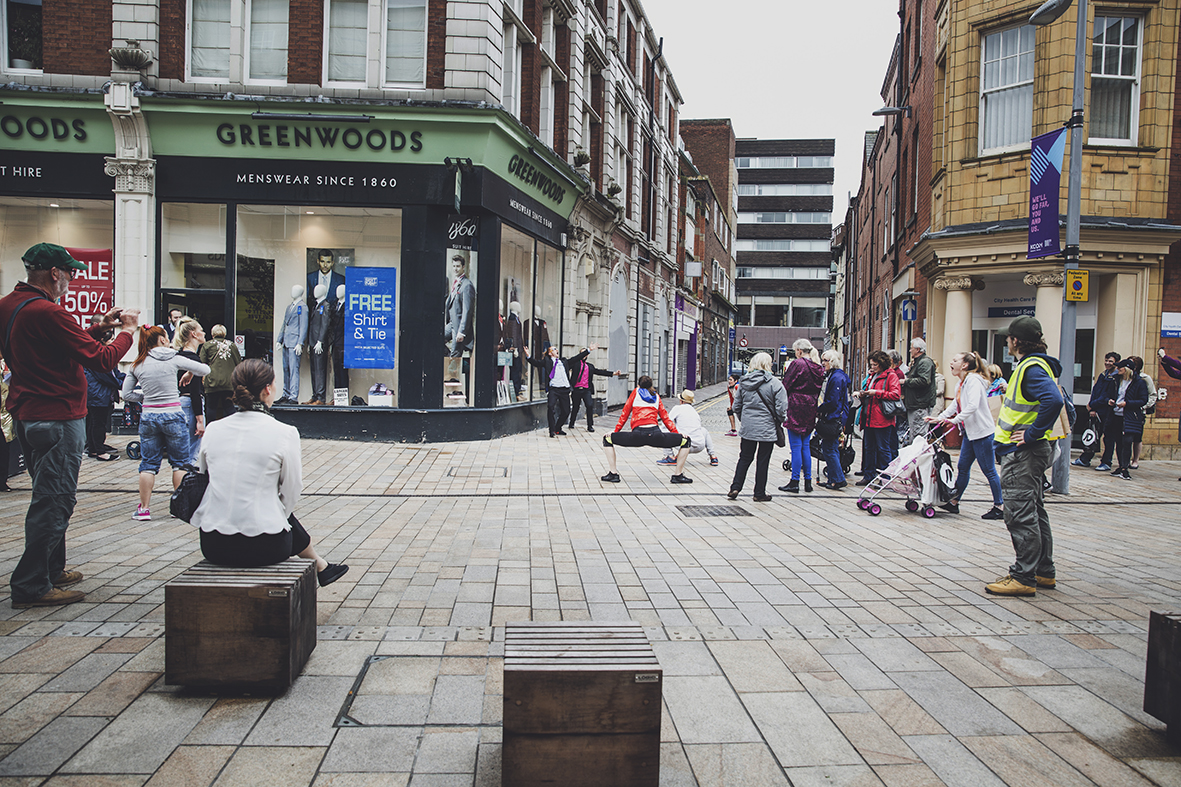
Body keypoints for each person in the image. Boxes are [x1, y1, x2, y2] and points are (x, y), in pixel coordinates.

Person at [0, 243, 140, 608]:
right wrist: (126, 331)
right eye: (71, 273)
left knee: (47, 492)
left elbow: (53, 348)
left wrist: (98, 328)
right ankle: (31, 584)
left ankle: (52, 569)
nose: (74, 280)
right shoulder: (50, 312)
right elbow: (102, 359)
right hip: (58, 416)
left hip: (28, 413)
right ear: (54, 274)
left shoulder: (9, 306)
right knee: (54, 499)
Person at [193, 359, 348, 586]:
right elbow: (292, 490)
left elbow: (204, 477)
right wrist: (276, 513)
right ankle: (321, 566)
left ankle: (322, 566)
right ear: (267, 389)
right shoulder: (284, 432)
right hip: (265, 546)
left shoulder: (214, 429)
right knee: (274, 508)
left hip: (213, 544)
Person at [986, 316, 1064, 597]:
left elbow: (1053, 400)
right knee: (1035, 511)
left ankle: (1023, 576)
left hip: (1023, 453)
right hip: (1029, 451)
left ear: (1016, 341)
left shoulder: (1030, 368)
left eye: (1008, 338)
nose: (1006, 341)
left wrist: (1031, 433)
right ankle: (1043, 571)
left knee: (1019, 514)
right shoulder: (1035, 365)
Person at [122, 325, 211, 522]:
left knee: (148, 464)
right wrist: (189, 371)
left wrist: (146, 396)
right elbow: (205, 369)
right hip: (173, 414)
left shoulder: (137, 364)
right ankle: (179, 508)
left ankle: (144, 509)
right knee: (179, 463)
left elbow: (126, 394)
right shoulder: (174, 358)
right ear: (162, 340)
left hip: (150, 416)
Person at [928, 351, 1003, 519]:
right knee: (963, 468)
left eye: (955, 360)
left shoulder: (974, 381)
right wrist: (939, 418)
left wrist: (954, 421)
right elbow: (955, 405)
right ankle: (954, 502)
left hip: (982, 433)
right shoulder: (961, 383)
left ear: (965, 365)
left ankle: (1000, 506)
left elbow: (973, 406)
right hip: (971, 433)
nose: (951, 362)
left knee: (989, 470)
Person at [601, 375, 692, 484]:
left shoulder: (635, 393)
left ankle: (613, 474)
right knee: (686, 441)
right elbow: (665, 418)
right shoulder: (656, 396)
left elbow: (624, 414)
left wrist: (615, 432)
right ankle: (677, 475)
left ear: (638, 385)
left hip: (637, 435)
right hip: (655, 435)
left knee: (607, 439)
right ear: (651, 385)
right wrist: (678, 434)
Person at [728, 352, 788, 502]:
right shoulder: (775, 383)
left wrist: (745, 420)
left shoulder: (744, 382)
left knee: (744, 458)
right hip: (767, 428)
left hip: (749, 428)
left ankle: (735, 487)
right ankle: (759, 493)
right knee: (763, 460)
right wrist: (778, 421)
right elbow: (781, 408)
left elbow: (736, 406)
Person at [778, 338, 824, 493]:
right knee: (805, 446)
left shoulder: (797, 364)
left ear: (799, 350)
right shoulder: (817, 366)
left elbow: (786, 384)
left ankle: (795, 481)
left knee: (796, 446)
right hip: (811, 406)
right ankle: (808, 481)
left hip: (796, 404)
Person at [853, 350, 901, 486]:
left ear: (882, 363)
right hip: (869, 416)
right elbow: (869, 390)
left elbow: (895, 394)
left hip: (882, 419)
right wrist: (863, 394)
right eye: (871, 364)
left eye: (875, 365)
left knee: (883, 448)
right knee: (869, 448)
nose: (872, 367)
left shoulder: (891, 376)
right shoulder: (873, 376)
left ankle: (886, 478)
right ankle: (868, 475)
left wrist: (876, 393)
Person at [524, 343, 593, 437]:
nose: (557, 350)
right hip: (554, 389)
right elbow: (536, 363)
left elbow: (576, 358)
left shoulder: (563, 361)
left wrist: (588, 350)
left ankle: (558, 428)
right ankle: (551, 430)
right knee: (550, 407)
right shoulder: (547, 361)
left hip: (564, 389)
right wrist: (528, 356)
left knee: (566, 411)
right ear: (550, 353)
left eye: (556, 349)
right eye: (554, 349)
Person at [83, 316, 125, 462]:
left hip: (99, 393)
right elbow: (107, 376)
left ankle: (94, 449)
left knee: (95, 422)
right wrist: (124, 385)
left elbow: (115, 373)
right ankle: (100, 451)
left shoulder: (105, 356)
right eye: (111, 340)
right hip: (98, 394)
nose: (113, 343)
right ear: (104, 341)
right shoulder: (100, 356)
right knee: (98, 423)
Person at [1073, 351, 1120, 469]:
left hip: (1107, 412)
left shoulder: (1115, 378)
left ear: (1117, 363)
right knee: (1093, 434)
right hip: (1097, 409)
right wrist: (1091, 406)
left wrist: (1093, 405)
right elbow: (1096, 392)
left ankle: (1106, 462)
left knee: (1108, 438)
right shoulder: (1103, 375)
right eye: (1106, 360)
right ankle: (1085, 458)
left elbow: (1106, 396)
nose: (1107, 363)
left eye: (1111, 361)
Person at [815, 350, 851, 490]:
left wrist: (820, 409)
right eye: (823, 360)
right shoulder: (837, 376)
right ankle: (833, 478)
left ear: (833, 361)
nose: (823, 363)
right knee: (831, 448)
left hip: (833, 417)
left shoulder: (836, 378)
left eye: (826, 360)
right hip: (836, 416)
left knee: (829, 448)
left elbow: (833, 401)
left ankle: (837, 479)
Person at [1109, 358, 1149, 480]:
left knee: (1127, 442)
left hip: (1130, 416)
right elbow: (1110, 394)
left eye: (1120, 368)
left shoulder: (1139, 383)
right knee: (1118, 442)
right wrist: (1110, 401)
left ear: (1126, 369)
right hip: (1116, 414)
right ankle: (1121, 466)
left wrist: (1127, 403)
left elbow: (1143, 400)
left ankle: (1125, 468)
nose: (1117, 369)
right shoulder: (1116, 380)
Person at [657, 389, 718, 467]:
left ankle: (670, 457)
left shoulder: (677, 408)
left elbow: (667, 422)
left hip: (683, 445)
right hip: (699, 446)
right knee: (704, 431)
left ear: (681, 401)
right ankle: (713, 456)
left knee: (664, 429)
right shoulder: (694, 412)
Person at [174, 317, 206, 463]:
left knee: (182, 449)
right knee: (191, 451)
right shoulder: (193, 360)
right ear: (194, 334)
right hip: (190, 406)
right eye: (201, 330)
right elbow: (195, 392)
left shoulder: (178, 357)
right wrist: (200, 419)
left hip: (179, 403)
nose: (204, 333)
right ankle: (187, 482)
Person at [567, 351, 621, 432]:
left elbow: (600, 372)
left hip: (586, 390)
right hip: (576, 389)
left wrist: (614, 373)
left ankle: (590, 425)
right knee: (576, 407)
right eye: (582, 353)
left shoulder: (590, 366)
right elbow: (567, 366)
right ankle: (571, 423)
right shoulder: (575, 364)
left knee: (589, 405)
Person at [199, 324, 242, 423]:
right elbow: (238, 363)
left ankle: (211, 428)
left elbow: (201, 363)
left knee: (211, 407)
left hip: (212, 382)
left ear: (212, 333)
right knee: (229, 406)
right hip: (229, 382)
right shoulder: (232, 345)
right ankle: (233, 426)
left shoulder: (207, 345)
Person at [901, 338, 937, 447]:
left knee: (918, 436)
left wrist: (906, 381)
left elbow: (924, 380)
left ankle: (918, 460)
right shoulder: (919, 362)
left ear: (918, 349)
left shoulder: (924, 362)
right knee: (915, 433)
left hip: (920, 404)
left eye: (911, 348)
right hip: (916, 403)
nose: (910, 350)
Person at [444, 253, 475, 358]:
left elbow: (467, 311)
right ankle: (448, 361)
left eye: (458, 266)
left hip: (458, 328)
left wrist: (461, 332)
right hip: (451, 324)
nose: (455, 269)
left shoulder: (467, 285)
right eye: (454, 266)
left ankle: (452, 373)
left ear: (463, 267)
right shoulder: (456, 282)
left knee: (455, 356)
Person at [1129, 356, 1156, 469]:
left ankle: (1135, 460)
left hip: (1139, 412)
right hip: (1126, 411)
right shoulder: (1125, 377)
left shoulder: (1145, 378)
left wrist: (1143, 406)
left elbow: (1153, 395)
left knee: (1137, 437)